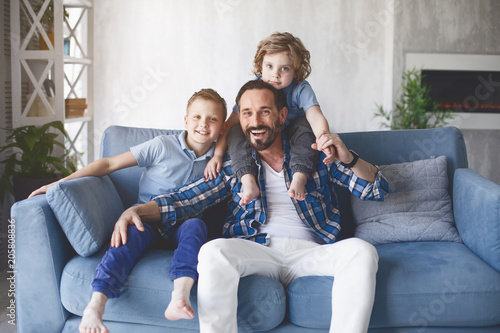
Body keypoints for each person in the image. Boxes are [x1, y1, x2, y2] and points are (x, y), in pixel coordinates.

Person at [116, 80, 389, 333]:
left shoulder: (316, 156)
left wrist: (350, 157)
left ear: (282, 116)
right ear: (239, 120)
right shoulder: (234, 167)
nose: (255, 121)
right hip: (257, 249)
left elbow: (376, 189)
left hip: (312, 252)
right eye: (247, 113)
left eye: (264, 111)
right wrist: (136, 211)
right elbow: (184, 200)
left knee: (362, 252)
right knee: (213, 251)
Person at [29, 88, 228, 333]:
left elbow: (240, 121)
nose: (203, 124)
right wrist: (59, 182)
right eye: (197, 117)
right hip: (146, 218)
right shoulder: (163, 146)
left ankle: (179, 296)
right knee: (127, 236)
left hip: (183, 225)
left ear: (222, 127)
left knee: (197, 226)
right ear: (185, 120)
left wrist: (218, 152)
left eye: (213, 119)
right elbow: (109, 163)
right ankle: (96, 305)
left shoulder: (220, 159)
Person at [204, 32, 334, 205]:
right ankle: (248, 180)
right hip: (265, 136)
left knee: (305, 126)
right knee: (236, 131)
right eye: (270, 66)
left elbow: (315, 114)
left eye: (284, 69)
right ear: (260, 66)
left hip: (293, 136)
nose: (275, 75)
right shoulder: (255, 90)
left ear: (296, 71)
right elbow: (231, 124)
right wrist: (217, 155)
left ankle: (299, 178)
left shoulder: (300, 89)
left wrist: (323, 136)